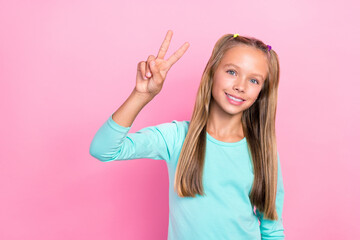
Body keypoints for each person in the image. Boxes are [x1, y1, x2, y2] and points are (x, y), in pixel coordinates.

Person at [89, 30, 285, 239]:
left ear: (262, 91)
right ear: (212, 72)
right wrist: (141, 95)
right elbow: (103, 150)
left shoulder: (262, 151)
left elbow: (272, 228)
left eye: (254, 81)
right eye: (232, 72)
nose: (240, 86)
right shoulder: (176, 137)